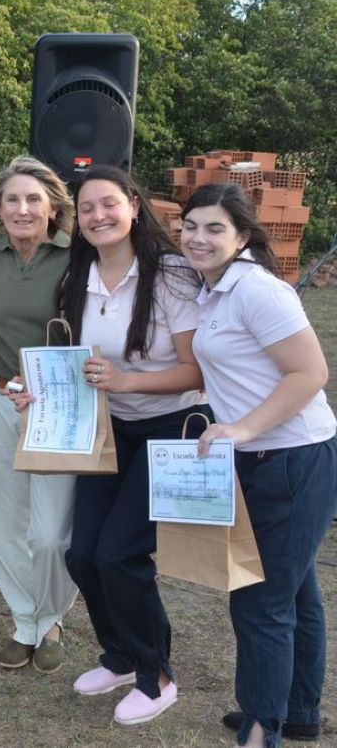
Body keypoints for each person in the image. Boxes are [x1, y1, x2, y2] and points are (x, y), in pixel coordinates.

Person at [43, 165, 205, 726]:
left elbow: (197, 371)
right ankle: (118, 655)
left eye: (108, 203)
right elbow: (74, 366)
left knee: (120, 554)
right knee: (82, 553)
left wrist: (126, 381)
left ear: (134, 206)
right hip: (109, 431)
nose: (98, 216)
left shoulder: (174, 277)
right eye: (86, 209)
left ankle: (156, 676)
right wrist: (33, 393)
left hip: (172, 426)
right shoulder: (75, 281)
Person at [180, 184, 336, 748]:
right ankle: (297, 713)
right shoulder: (212, 290)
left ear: (243, 237)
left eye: (214, 228)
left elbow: (310, 373)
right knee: (295, 592)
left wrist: (243, 428)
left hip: (292, 459)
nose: (199, 237)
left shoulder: (257, 291)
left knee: (260, 598)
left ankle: (260, 726)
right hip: (260, 459)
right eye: (191, 225)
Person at [0, 156, 77, 673]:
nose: (22, 208)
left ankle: (53, 616)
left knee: (51, 531)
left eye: (34, 199)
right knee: (0, 520)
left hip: (57, 405)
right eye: (12, 198)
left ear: (54, 207)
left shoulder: (79, 257)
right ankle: (24, 620)